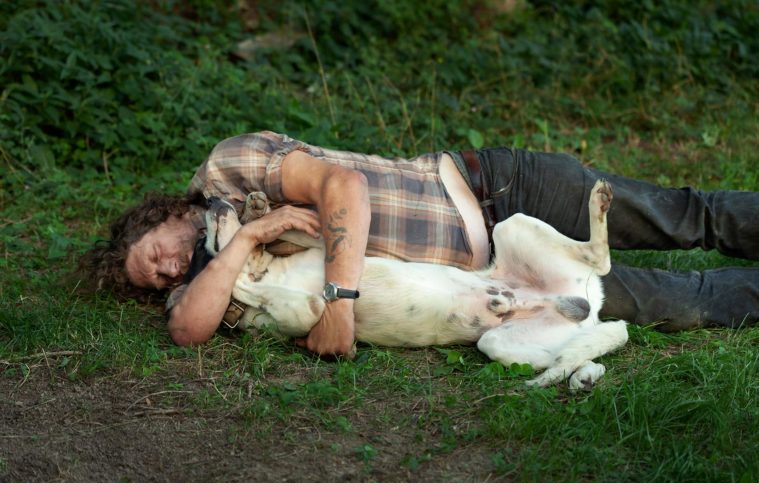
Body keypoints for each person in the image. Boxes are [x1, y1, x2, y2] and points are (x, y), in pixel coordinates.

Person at [86, 131, 759, 357]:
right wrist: (252, 240)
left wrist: (339, 302)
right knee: (677, 301)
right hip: (490, 283)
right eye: (156, 280)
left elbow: (342, 187)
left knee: (682, 218)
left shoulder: (229, 168)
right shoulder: (227, 260)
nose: (170, 267)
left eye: (155, 255)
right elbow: (191, 327)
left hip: (499, 195)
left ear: (159, 216)